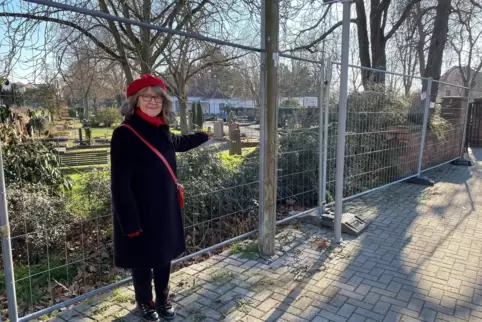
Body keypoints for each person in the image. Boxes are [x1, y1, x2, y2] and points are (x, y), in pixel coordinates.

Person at [110, 74, 209, 321]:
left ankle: (163, 298)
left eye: (158, 97)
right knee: (142, 260)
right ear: (135, 101)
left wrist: (203, 136)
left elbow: (177, 142)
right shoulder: (125, 133)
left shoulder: (160, 127)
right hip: (140, 211)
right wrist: (129, 222)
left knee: (163, 257)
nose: (153, 101)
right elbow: (119, 184)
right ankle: (145, 301)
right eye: (147, 96)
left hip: (165, 207)